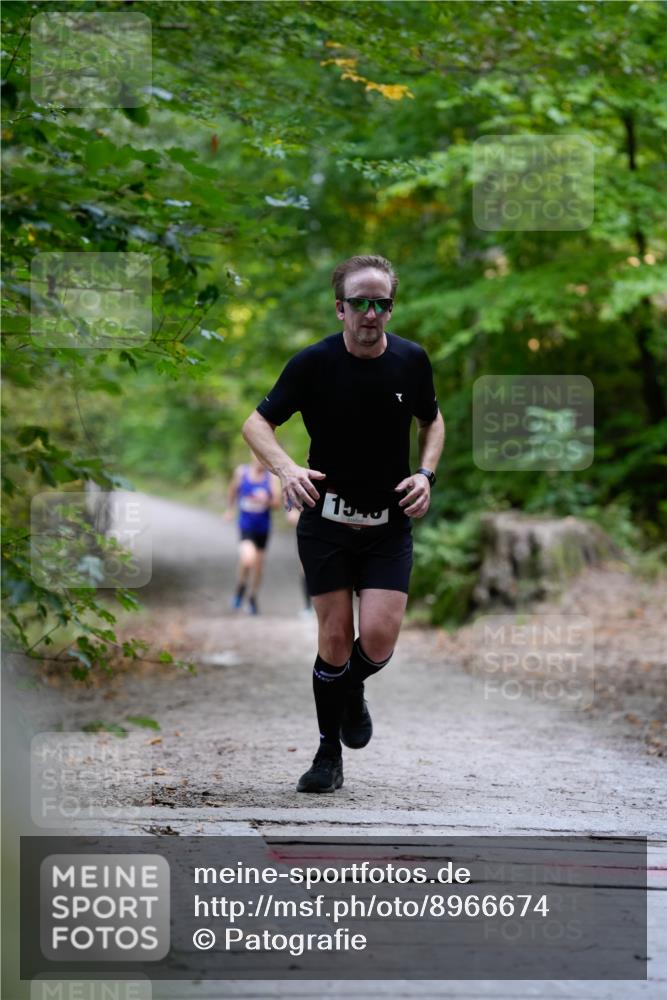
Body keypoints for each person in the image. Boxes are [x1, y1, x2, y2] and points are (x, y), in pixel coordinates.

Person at [242, 254, 445, 791]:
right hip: (325, 520)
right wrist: (285, 469)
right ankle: (328, 753)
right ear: (341, 308)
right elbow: (256, 424)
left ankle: (349, 692)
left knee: (376, 639)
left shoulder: (411, 361)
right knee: (335, 639)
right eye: (361, 303)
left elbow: (432, 420)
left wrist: (426, 472)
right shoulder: (313, 364)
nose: (372, 313)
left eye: (382, 303)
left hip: (388, 522)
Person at [225, 454, 281, 615]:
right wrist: (229, 509)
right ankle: (240, 589)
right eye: (257, 456)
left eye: (263, 458)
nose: (260, 460)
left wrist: (267, 500)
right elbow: (232, 491)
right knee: (248, 558)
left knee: (258, 565)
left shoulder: (271, 478)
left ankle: (252, 597)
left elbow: (277, 503)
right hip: (245, 525)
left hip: (263, 528)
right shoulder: (241, 472)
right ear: (251, 455)